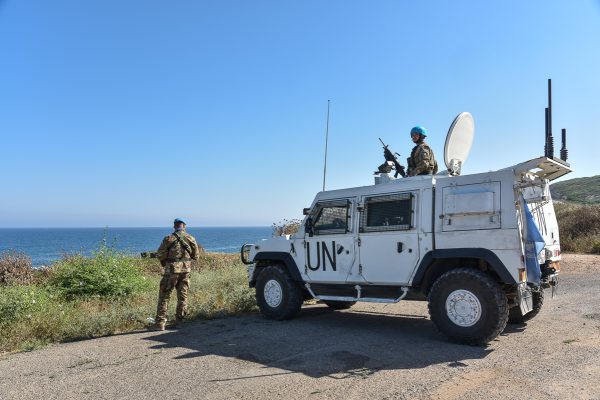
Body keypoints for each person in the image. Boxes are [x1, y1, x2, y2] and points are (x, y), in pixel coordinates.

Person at [149, 218, 200, 331]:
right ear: (184, 226)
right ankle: (179, 322)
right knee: (183, 296)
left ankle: (160, 323)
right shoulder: (191, 238)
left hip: (171, 271)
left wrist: (164, 261)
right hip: (185, 271)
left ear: (174, 226)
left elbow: (160, 254)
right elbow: (196, 256)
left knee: (164, 296)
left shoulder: (168, 238)